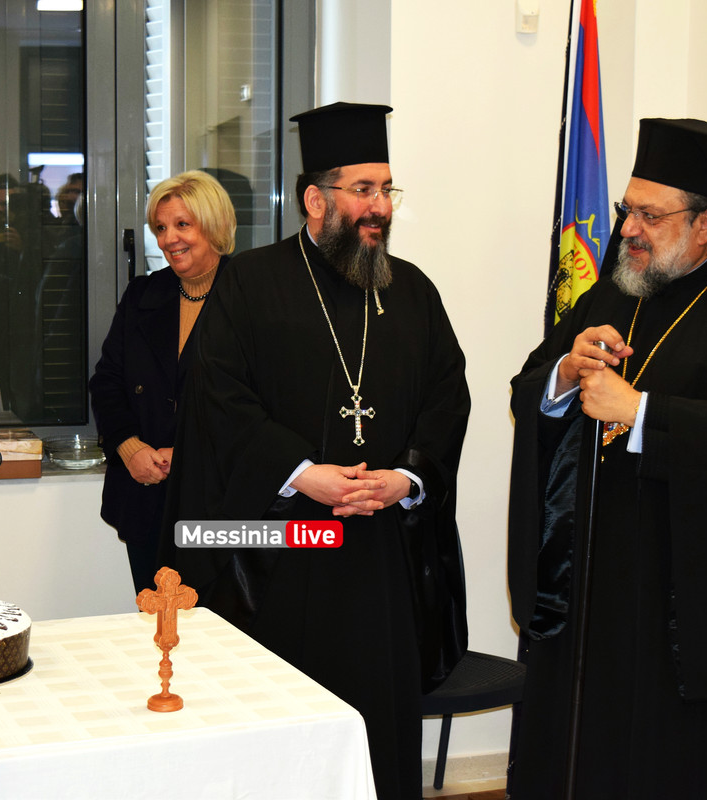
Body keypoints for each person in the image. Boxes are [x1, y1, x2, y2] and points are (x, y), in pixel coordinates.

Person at [507, 118, 707, 799]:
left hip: (693, 617)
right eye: (627, 209)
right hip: (592, 600)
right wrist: (563, 375)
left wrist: (642, 414)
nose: (628, 229)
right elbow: (530, 386)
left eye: (650, 216)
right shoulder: (615, 289)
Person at [165, 103, 470, 800]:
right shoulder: (249, 283)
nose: (379, 207)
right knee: (286, 736)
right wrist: (303, 473)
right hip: (284, 550)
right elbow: (219, 398)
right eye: (363, 190)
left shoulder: (412, 290)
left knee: (379, 731)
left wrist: (405, 478)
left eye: (386, 190)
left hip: (384, 556)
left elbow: (447, 398)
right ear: (314, 199)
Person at [90, 171, 236, 594]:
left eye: (182, 224)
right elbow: (107, 382)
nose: (169, 239)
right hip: (146, 494)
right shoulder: (142, 295)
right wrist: (129, 448)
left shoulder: (252, 296)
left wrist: (189, 452)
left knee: (218, 625)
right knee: (157, 621)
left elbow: (265, 403)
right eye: (160, 227)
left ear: (215, 225)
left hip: (220, 498)